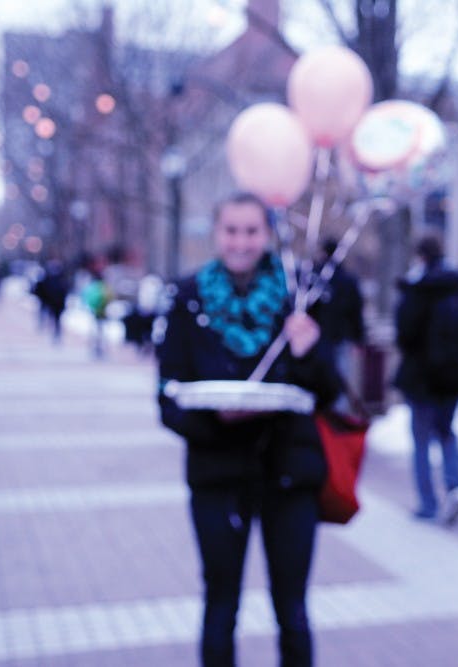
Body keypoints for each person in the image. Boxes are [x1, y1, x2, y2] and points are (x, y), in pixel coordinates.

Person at [157, 191, 340, 667]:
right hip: (217, 475)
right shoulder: (185, 297)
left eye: (252, 231)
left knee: (293, 610)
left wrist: (310, 352)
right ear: (216, 233)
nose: (241, 241)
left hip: (288, 473)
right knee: (220, 606)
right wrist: (216, 420)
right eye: (231, 230)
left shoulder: (299, 296)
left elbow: (328, 391)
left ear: (267, 235)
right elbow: (168, 398)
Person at [393, 235, 458, 525]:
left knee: (421, 439)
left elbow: (404, 334)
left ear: (420, 256)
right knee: (446, 432)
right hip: (455, 376)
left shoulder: (418, 289)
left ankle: (427, 502)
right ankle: (454, 485)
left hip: (421, 378)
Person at [307, 237, 366, 405]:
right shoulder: (347, 280)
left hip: (320, 339)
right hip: (338, 338)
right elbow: (356, 313)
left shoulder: (315, 278)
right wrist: (358, 339)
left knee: (323, 381)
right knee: (340, 381)